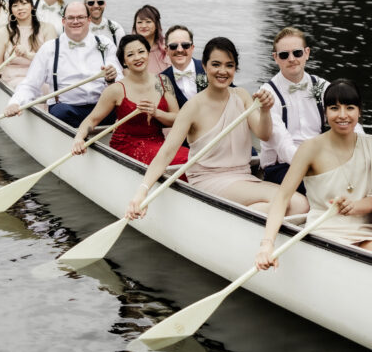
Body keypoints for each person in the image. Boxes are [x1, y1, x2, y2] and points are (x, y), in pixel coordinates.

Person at [126, 37, 308, 217]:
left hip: (242, 176)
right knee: (297, 203)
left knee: (299, 204)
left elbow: (264, 134)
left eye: (229, 65)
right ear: (204, 66)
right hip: (209, 180)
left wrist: (266, 110)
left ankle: (236, 220)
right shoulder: (192, 107)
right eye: (216, 64)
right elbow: (166, 153)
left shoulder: (242, 96)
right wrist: (142, 191)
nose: (223, 71)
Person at [256, 80, 372, 270]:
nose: (342, 115)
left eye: (350, 108)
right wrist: (267, 245)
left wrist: (355, 206)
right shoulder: (310, 148)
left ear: (359, 111)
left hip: (365, 231)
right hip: (325, 231)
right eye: (334, 108)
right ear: (325, 113)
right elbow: (282, 198)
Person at [71, 34, 188, 165]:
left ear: (148, 53)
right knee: (183, 160)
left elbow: (177, 119)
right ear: (124, 62)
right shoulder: (116, 89)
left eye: (141, 51)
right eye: (131, 54)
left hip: (159, 142)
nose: (137, 57)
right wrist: (79, 138)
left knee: (192, 157)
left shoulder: (163, 81)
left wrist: (156, 113)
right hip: (128, 146)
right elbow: (92, 119)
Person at [3, 1, 120, 128]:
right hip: (66, 110)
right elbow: (31, 84)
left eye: (80, 17)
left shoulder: (105, 44)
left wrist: (111, 79)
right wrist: (15, 103)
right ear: (63, 21)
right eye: (71, 18)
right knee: (61, 112)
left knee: (119, 110)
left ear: (89, 20)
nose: (76, 21)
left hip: (101, 108)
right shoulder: (49, 49)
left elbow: (120, 81)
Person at [259, 27, 329, 194]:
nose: (291, 59)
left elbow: (347, 119)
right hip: (281, 167)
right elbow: (283, 145)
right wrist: (314, 167)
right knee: (324, 188)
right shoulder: (267, 93)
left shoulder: (322, 86)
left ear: (307, 53)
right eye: (284, 55)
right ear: (275, 58)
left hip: (319, 162)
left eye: (297, 53)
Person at [0, 0, 56, 89]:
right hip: (15, 79)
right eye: (15, 5)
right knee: (28, 88)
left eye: (24, 3)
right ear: (11, 10)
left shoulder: (48, 29)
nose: (20, 8)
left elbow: (51, 61)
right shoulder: (4, 32)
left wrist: (27, 54)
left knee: (49, 87)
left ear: (32, 6)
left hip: (42, 77)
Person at [161, 25, 206, 107]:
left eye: (185, 45)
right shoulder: (161, 80)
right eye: (173, 46)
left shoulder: (208, 69)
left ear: (192, 48)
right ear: (166, 50)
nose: (179, 50)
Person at [132, 5, 170, 74]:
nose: (143, 26)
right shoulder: (129, 48)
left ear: (156, 24)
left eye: (148, 22)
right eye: (139, 22)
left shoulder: (167, 46)